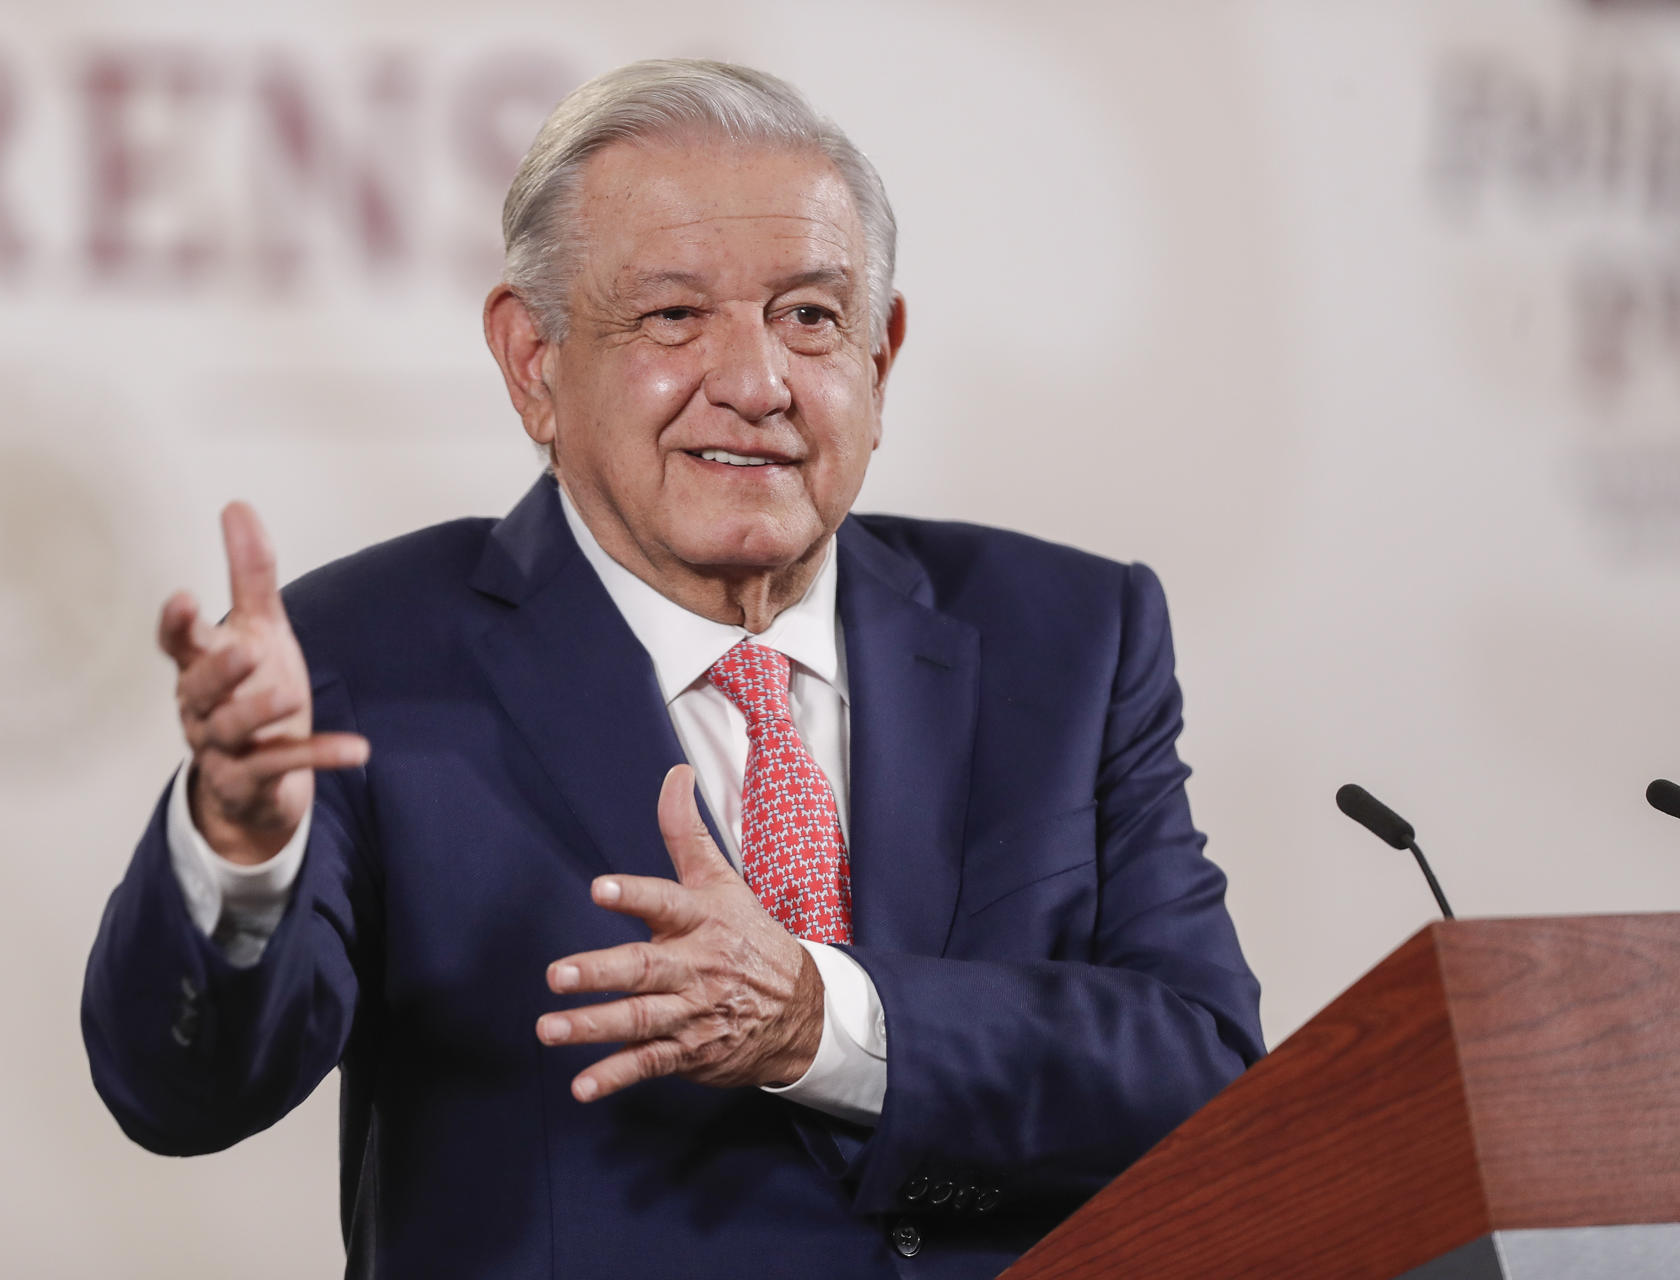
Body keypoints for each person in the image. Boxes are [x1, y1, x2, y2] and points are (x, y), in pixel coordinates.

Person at [82, 58, 1263, 1279]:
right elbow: (180, 1093)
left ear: (882, 355)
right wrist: (239, 846)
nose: (755, 384)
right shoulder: (367, 657)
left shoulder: (1066, 635)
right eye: (672, 316)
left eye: (810, 315)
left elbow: (1206, 1073)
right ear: (533, 361)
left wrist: (822, 1017)